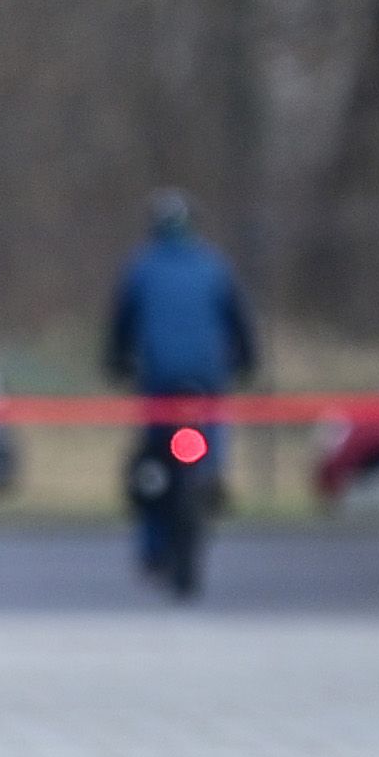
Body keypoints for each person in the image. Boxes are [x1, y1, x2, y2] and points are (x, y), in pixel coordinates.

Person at [103, 191, 259, 581]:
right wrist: (245, 362)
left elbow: (120, 326)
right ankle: (211, 479)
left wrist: (116, 363)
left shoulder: (141, 266)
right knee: (209, 448)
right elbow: (240, 322)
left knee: (152, 464)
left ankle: (153, 547)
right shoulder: (213, 264)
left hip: (159, 381)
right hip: (207, 380)